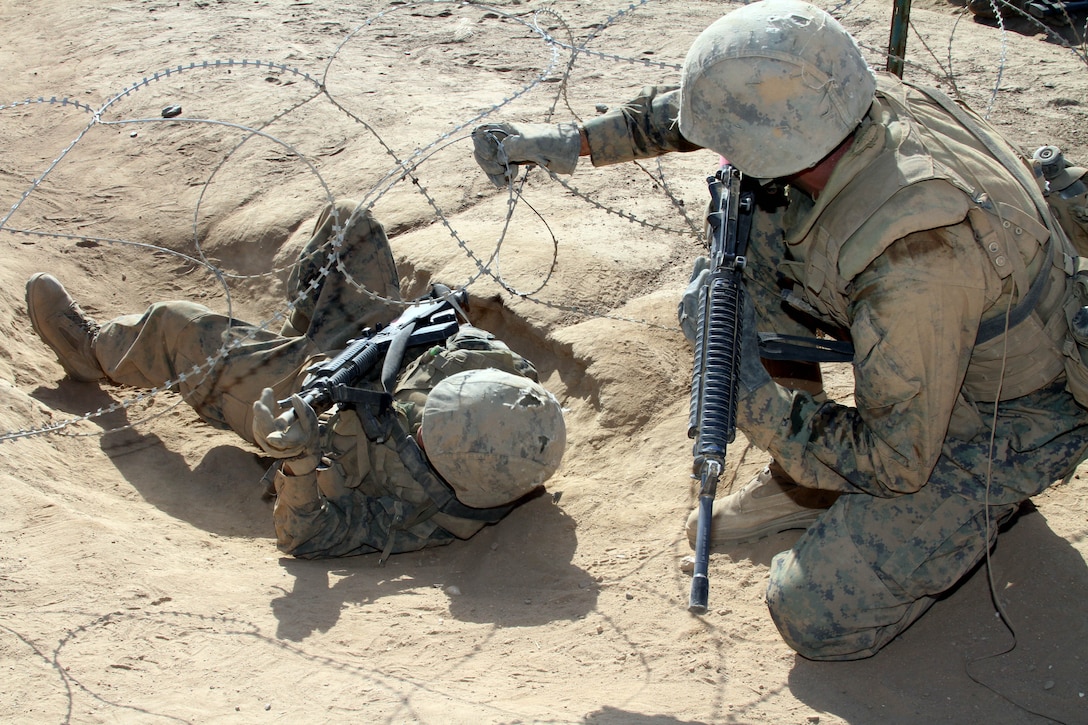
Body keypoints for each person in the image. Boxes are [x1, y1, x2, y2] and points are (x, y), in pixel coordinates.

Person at [470, 0, 1088, 660]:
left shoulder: (913, 253)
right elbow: (706, 116)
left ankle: (973, 498)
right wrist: (574, 141)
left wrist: (747, 393)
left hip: (1014, 410)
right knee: (751, 229)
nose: (719, 146)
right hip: (956, 329)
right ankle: (806, 478)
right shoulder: (841, 95)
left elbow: (896, 461)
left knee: (815, 608)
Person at [25, 199, 567, 560]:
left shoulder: (417, 511)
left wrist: (301, 461)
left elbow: (307, 538)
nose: (423, 419)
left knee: (174, 324)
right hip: (375, 344)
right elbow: (463, 342)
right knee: (347, 223)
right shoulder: (508, 402)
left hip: (304, 396)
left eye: (427, 428)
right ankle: (295, 330)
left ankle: (93, 354)